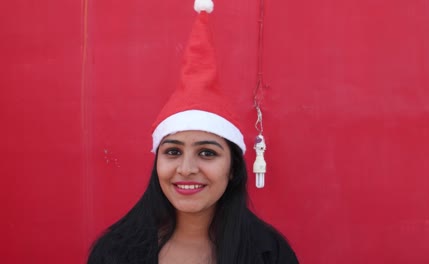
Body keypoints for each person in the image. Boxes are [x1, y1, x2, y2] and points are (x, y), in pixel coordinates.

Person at [87, 0, 298, 263]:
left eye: (207, 153)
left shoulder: (270, 254)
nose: (186, 168)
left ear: (233, 168)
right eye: (173, 151)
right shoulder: (115, 252)